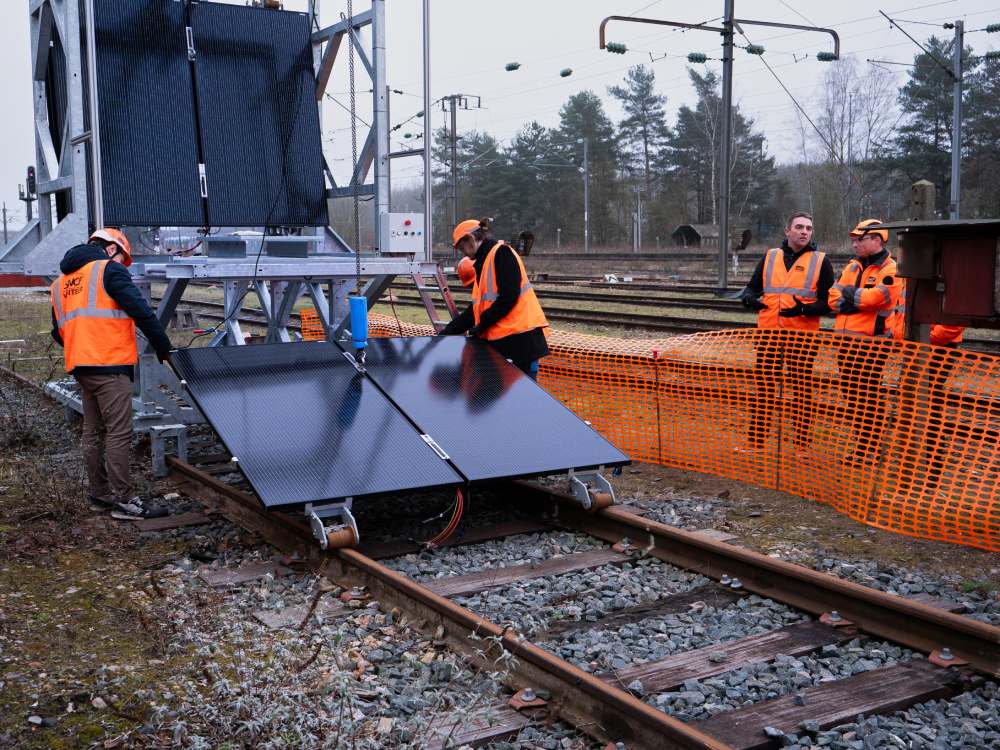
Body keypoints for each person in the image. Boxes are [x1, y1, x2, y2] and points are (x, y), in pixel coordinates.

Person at [50, 228, 173, 518]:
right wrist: (163, 347)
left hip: (81, 366)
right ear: (109, 249)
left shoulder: (61, 283)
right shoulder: (109, 271)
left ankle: (99, 493)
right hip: (109, 365)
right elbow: (141, 311)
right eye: (121, 257)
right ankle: (125, 500)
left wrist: (83, 346)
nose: (121, 264)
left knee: (93, 431)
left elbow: (59, 332)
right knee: (119, 432)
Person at [739, 211, 834, 450]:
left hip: (802, 337)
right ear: (787, 231)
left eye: (809, 228)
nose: (804, 232)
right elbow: (751, 288)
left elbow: (827, 302)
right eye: (800, 227)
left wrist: (803, 310)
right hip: (769, 335)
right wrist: (749, 299)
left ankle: (802, 444)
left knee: (802, 391)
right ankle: (756, 441)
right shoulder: (770, 257)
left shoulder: (821, 261)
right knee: (764, 389)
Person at [827, 219, 901, 465]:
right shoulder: (852, 266)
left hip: (871, 347)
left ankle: (870, 450)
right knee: (853, 398)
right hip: (845, 345)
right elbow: (832, 298)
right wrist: (855, 299)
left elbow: (878, 298)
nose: (854, 243)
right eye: (855, 239)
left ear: (876, 241)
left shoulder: (891, 269)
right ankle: (862, 447)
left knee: (868, 398)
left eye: (860, 239)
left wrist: (849, 295)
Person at [440, 219, 549, 379]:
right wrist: (447, 332)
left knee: (521, 399)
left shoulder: (501, 253)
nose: (463, 253)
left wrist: (482, 324)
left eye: (462, 247)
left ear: (470, 239)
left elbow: (509, 296)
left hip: (521, 340)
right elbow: (474, 311)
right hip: (509, 342)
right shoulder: (484, 263)